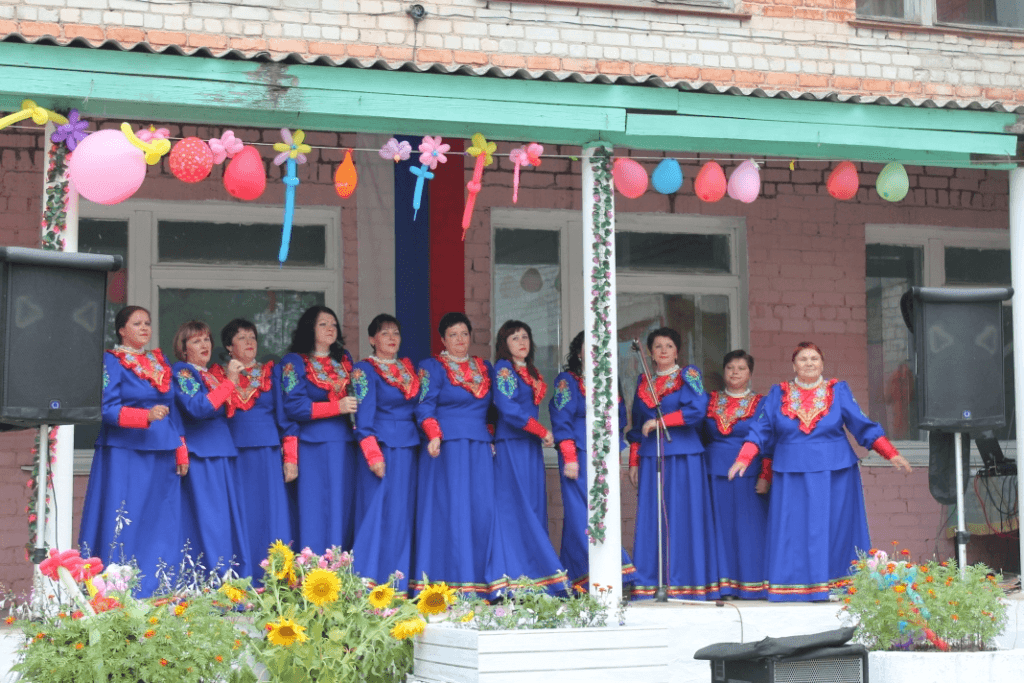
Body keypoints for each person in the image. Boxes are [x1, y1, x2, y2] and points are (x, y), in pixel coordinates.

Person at [729, 341, 912, 602]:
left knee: (833, 527)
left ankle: (834, 585)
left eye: (814, 359)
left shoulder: (838, 390)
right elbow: (761, 429)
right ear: (793, 365)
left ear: (822, 363)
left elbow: (863, 426)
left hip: (834, 473)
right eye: (803, 359)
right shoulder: (778, 393)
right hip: (790, 471)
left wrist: (890, 453)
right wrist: (744, 457)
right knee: (792, 528)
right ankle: (794, 586)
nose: (809, 363)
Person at [79, 306, 189, 595]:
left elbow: (173, 408)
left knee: (160, 519)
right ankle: (117, 590)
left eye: (148, 323)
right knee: (126, 518)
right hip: (126, 450)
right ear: (121, 330)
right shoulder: (112, 361)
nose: (144, 328)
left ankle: (156, 588)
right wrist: (144, 417)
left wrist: (181, 450)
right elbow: (106, 409)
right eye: (137, 323)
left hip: (163, 448)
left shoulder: (158, 359)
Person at [413, 312, 501, 597]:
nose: (460, 340)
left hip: (477, 446)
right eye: (453, 334)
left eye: (464, 333)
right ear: (442, 339)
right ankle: (444, 584)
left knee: (480, 510)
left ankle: (478, 581)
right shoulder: (432, 367)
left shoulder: (483, 367)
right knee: (449, 511)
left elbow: (493, 409)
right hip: (445, 448)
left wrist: (490, 436)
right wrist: (434, 434)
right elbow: (424, 406)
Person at [627, 327, 719, 600]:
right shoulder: (644, 381)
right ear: (651, 354)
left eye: (669, 345)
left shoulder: (688, 374)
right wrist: (633, 460)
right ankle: (652, 582)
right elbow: (635, 426)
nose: (663, 350)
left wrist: (662, 421)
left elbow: (697, 409)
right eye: (657, 346)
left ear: (677, 351)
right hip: (651, 455)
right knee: (653, 517)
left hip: (684, 454)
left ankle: (687, 582)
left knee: (684, 515)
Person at [549, 331, 635, 590]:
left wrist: (617, 459)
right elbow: (560, 419)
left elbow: (618, 424)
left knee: (603, 516)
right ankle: (618, 573)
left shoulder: (611, 381)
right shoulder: (568, 380)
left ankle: (580, 582)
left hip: (604, 458)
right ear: (579, 353)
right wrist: (569, 458)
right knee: (580, 518)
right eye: (589, 347)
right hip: (578, 456)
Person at [212, 319, 296, 581]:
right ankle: (239, 579)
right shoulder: (217, 375)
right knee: (239, 516)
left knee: (270, 514)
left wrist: (290, 457)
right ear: (228, 346)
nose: (249, 343)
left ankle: (275, 580)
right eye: (241, 338)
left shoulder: (272, 372)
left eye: (252, 337)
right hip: (233, 454)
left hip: (267, 454)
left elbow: (287, 418)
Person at [489, 320, 567, 593]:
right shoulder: (504, 368)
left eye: (525, 336)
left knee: (534, 506)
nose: (521, 342)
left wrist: (538, 433)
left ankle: (535, 577)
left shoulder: (530, 371)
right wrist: (540, 429)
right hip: (512, 443)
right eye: (514, 338)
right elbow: (506, 407)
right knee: (515, 507)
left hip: (530, 446)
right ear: (504, 344)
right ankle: (512, 577)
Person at [171, 320, 251, 579]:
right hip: (202, 452)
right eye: (196, 341)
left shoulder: (211, 374)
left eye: (206, 339)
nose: (204, 344)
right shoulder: (183, 372)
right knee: (210, 521)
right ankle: (212, 582)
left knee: (225, 521)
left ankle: (230, 580)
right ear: (183, 349)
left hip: (222, 450)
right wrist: (229, 381)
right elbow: (199, 408)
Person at [350, 314, 420, 596]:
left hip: (409, 447)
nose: (391, 338)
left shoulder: (407, 370)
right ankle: (369, 585)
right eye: (384, 333)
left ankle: (400, 586)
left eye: (395, 333)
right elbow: (361, 419)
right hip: (382, 449)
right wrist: (372, 454)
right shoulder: (364, 370)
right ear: (372, 339)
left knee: (403, 515)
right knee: (378, 514)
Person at [280, 305, 359, 555]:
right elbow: (294, 406)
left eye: (333, 324)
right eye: (323, 324)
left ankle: (341, 570)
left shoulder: (344, 360)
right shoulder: (294, 362)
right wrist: (336, 407)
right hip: (312, 444)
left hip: (345, 443)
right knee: (315, 506)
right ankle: (313, 569)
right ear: (309, 329)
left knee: (343, 506)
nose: (330, 329)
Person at [701, 350, 771, 599]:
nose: (735, 372)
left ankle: (752, 585)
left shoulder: (762, 402)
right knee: (719, 530)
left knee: (748, 529)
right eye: (730, 367)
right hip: (712, 472)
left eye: (741, 368)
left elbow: (768, 441)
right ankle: (723, 586)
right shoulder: (709, 400)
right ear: (723, 371)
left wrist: (765, 475)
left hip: (749, 474)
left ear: (750, 373)